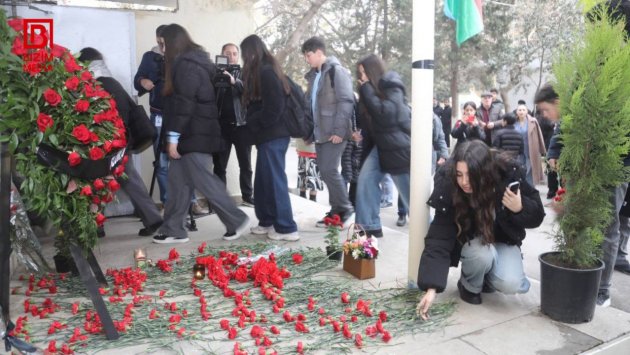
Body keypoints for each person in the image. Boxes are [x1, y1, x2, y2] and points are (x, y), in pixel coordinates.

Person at [416, 140, 545, 319]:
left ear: (484, 171)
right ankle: (469, 286)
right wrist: (431, 288)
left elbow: (538, 215)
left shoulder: (507, 173)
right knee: (480, 254)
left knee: (511, 283)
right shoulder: (449, 183)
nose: (464, 182)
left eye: (470, 175)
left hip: (503, 240)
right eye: (459, 174)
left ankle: (488, 277)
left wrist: (520, 208)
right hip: (473, 244)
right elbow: (439, 236)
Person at [535, 82, 630, 307]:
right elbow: (562, 130)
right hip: (582, 170)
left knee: (606, 228)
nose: (546, 117)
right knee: (574, 221)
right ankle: (576, 268)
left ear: (557, 102)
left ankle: (601, 290)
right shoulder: (572, 112)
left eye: (546, 110)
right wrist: (554, 152)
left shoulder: (608, 99)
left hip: (612, 170)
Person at [152, 24, 249, 244]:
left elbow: (184, 104)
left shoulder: (187, 66)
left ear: (172, 43)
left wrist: (173, 138)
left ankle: (236, 219)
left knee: (204, 180)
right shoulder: (192, 62)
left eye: (163, 44)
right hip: (193, 132)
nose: (162, 49)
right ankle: (174, 228)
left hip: (195, 133)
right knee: (178, 182)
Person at [78, 47, 163, 237]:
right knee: (117, 181)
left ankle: (97, 224)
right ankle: (151, 218)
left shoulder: (97, 85)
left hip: (109, 145)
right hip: (117, 142)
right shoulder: (110, 82)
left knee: (98, 182)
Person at [133, 25, 207, 215]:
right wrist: (143, 82)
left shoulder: (182, 59)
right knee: (162, 162)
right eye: (158, 42)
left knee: (185, 160)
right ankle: (168, 203)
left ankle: (191, 202)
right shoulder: (150, 58)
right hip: (158, 115)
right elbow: (137, 80)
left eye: (164, 43)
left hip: (180, 117)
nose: (161, 46)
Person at [240, 34, 300, 241]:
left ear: (250, 53)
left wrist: (254, 122)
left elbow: (274, 108)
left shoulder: (266, 72)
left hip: (274, 135)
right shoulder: (264, 70)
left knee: (275, 181)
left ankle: (286, 227)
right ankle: (267, 220)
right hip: (268, 136)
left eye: (244, 54)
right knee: (264, 181)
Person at [354, 54, 411, 238]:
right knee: (365, 181)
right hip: (379, 148)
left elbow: (385, 114)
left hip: (398, 149)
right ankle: (368, 227)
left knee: (412, 199)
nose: (360, 77)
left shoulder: (392, 85)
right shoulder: (367, 92)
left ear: (373, 71)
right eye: (359, 73)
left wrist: (366, 90)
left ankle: (432, 232)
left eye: (363, 73)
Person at [301, 37, 355, 228]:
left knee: (329, 170)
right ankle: (336, 210)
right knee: (325, 171)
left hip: (334, 132)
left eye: (309, 55)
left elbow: (346, 100)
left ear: (318, 52)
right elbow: (311, 107)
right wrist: (309, 133)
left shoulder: (336, 71)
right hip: (320, 132)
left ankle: (344, 208)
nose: (307, 59)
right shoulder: (314, 76)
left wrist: (340, 130)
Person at [212, 43, 255, 207]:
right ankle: (220, 200)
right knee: (219, 166)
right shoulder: (214, 73)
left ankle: (247, 196)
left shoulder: (246, 73)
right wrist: (218, 76)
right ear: (221, 55)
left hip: (242, 125)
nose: (231, 56)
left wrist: (234, 81)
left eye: (234, 53)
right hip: (221, 127)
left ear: (239, 55)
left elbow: (250, 93)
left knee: (245, 164)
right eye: (227, 53)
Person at [514, 103, 547, 186]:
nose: (521, 112)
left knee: (531, 171)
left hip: (531, 149)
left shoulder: (533, 121)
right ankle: (521, 190)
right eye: (519, 110)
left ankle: (531, 189)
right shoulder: (513, 122)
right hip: (518, 152)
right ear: (517, 112)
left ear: (527, 112)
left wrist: (542, 149)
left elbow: (539, 135)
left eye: (523, 110)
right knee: (520, 170)